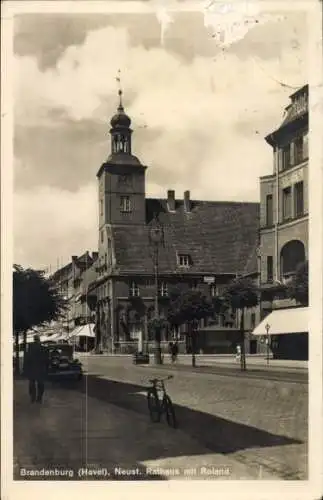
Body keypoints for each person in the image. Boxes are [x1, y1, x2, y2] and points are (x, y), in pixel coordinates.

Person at [24, 334, 49, 404]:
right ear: (39, 339)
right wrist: (47, 368)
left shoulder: (29, 348)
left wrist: (25, 370)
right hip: (40, 369)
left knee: (32, 383)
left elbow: (26, 360)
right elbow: (46, 360)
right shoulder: (43, 348)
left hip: (32, 369)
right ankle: (39, 398)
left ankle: (32, 398)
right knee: (40, 384)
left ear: (34, 339)